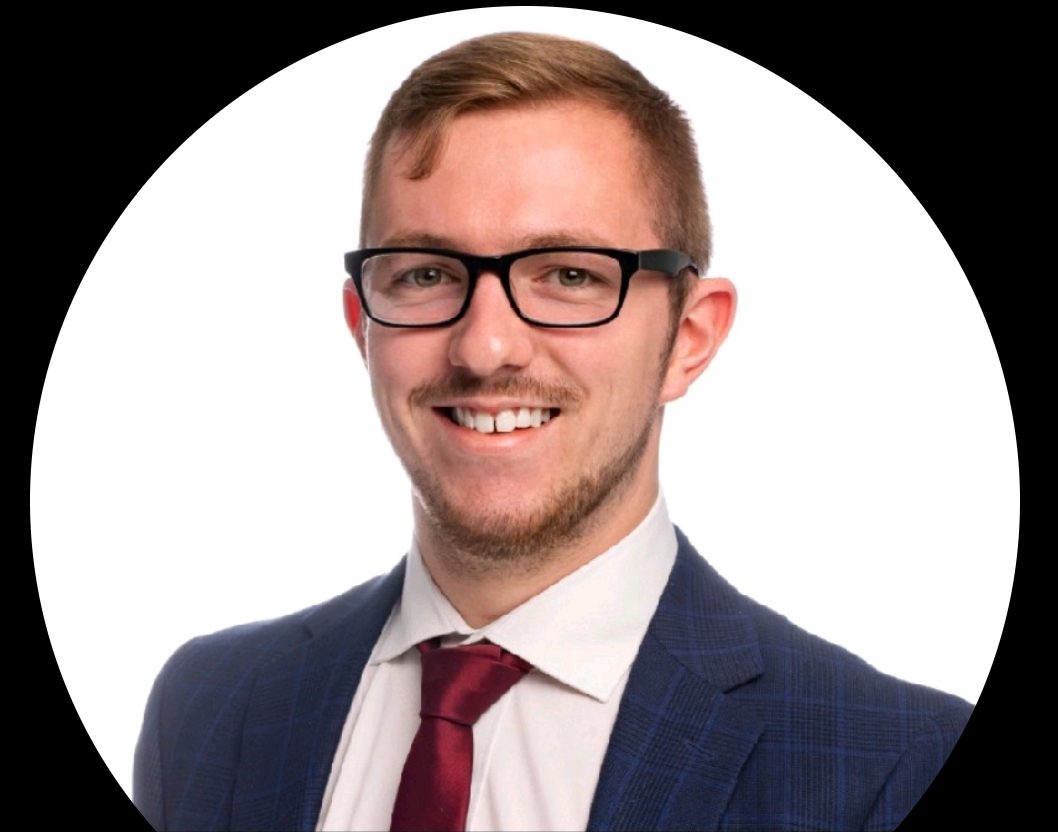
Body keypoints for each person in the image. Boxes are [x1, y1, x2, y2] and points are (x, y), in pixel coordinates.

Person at [132, 32, 973, 831]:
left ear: (689, 338)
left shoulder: (892, 765)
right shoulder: (209, 710)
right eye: (425, 275)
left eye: (569, 274)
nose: (486, 347)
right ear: (363, 325)